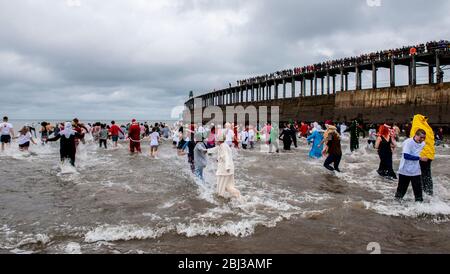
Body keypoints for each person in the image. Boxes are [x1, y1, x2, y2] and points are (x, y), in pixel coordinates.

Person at [395, 129, 427, 202]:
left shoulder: (423, 143)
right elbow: (406, 156)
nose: (422, 139)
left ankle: (420, 208)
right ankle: (396, 207)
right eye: (421, 137)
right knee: (401, 191)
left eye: (424, 138)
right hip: (404, 170)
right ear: (416, 135)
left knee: (418, 191)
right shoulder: (408, 142)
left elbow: (420, 153)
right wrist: (420, 158)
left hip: (415, 170)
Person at [208, 134, 241, 199]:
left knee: (220, 187)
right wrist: (206, 150)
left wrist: (227, 167)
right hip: (228, 170)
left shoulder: (223, 147)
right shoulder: (223, 145)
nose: (215, 141)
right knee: (228, 186)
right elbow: (215, 149)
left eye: (216, 139)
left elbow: (226, 157)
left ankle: (220, 200)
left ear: (219, 140)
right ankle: (237, 195)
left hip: (225, 170)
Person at [410, 115, 435, 196]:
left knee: (420, 174)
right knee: (427, 174)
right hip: (429, 154)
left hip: (422, 155)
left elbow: (413, 141)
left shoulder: (416, 128)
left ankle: (424, 192)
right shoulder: (428, 128)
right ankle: (429, 192)